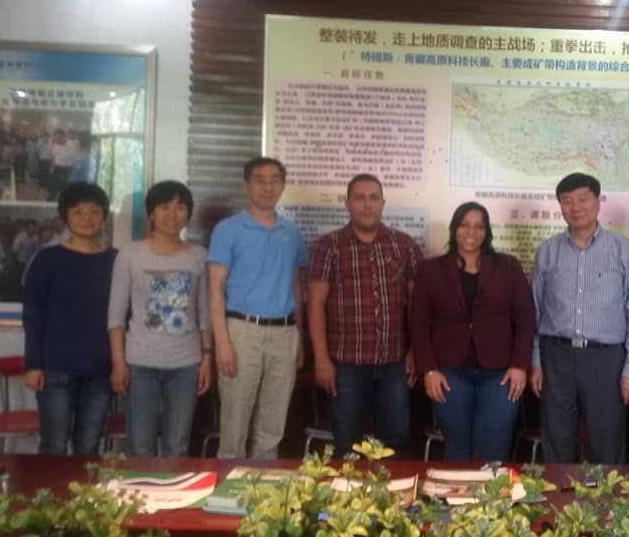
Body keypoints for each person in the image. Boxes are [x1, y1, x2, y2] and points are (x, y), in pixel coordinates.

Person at [529, 172, 629, 464]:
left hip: (606, 359)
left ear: (598, 202)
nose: (576, 207)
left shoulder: (624, 251)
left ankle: (606, 496)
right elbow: (535, 311)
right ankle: (559, 493)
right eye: (567, 201)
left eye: (583, 199)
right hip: (556, 356)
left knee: (607, 441)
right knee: (557, 439)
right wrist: (535, 362)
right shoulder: (547, 251)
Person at [309, 173, 423, 458]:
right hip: (347, 364)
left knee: (395, 443)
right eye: (359, 198)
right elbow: (315, 304)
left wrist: (415, 349)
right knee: (346, 443)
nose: (367, 204)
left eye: (373, 198)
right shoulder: (329, 246)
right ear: (347, 203)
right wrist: (321, 360)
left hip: (394, 363)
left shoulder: (404, 245)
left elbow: (417, 303)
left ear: (383, 203)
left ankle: (393, 489)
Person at [411, 201, 534, 461]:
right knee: (457, 445)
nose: (471, 232)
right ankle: (458, 490)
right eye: (465, 225)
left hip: (500, 373)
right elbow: (419, 324)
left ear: (487, 231)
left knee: (495, 446)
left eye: (479, 226)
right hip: (448, 372)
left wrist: (519, 366)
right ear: (454, 228)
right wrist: (428, 369)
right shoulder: (430, 270)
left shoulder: (508, 267)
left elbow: (525, 319)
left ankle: (493, 490)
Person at [206, 157, 307, 459]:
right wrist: (222, 342)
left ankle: (265, 485)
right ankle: (229, 485)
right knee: (235, 423)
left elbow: (296, 285)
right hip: (242, 332)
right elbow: (215, 290)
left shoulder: (292, 232)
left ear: (283, 186)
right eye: (260, 180)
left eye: (275, 180)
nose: (268, 187)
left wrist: (299, 336)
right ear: (247, 185)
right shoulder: (228, 229)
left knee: (273, 424)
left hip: (285, 333)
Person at [107, 180, 213, 456]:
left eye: (180, 207)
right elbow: (116, 316)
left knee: (177, 445)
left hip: (186, 364)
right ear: (152, 213)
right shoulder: (130, 254)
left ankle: (174, 488)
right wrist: (118, 363)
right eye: (164, 207)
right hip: (140, 363)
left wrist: (206, 358)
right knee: (140, 445)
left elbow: (205, 313)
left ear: (188, 214)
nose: (172, 214)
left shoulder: (199, 256)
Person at [23, 182, 116, 454]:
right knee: (54, 444)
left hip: (101, 371)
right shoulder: (47, 260)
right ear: (66, 216)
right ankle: (50, 486)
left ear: (104, 215)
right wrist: (33, 365)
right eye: (77, 212)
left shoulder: (117, 261)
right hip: (55, 369)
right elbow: (33, 316)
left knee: (89, 445)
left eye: (94, 211)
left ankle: (85, 486)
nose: (87, 218)